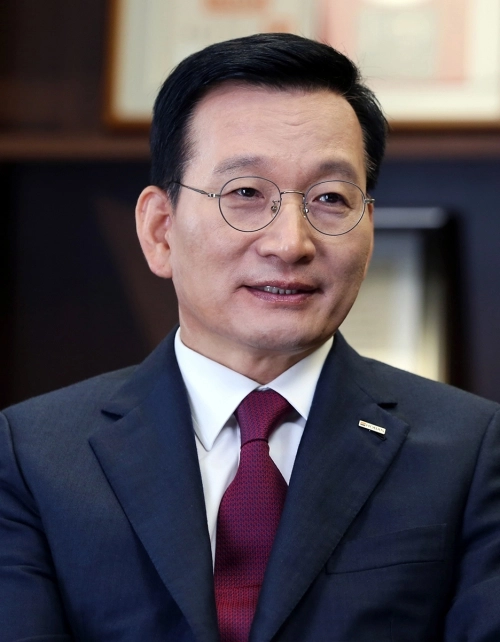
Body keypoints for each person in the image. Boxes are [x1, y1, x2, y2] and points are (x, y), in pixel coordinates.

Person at [1, 33, 499, 642]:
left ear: (368, 230)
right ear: (160, 230)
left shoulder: (472, 451)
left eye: (330, 199)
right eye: (245, 194)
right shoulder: (31, 456)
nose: (290, 243)